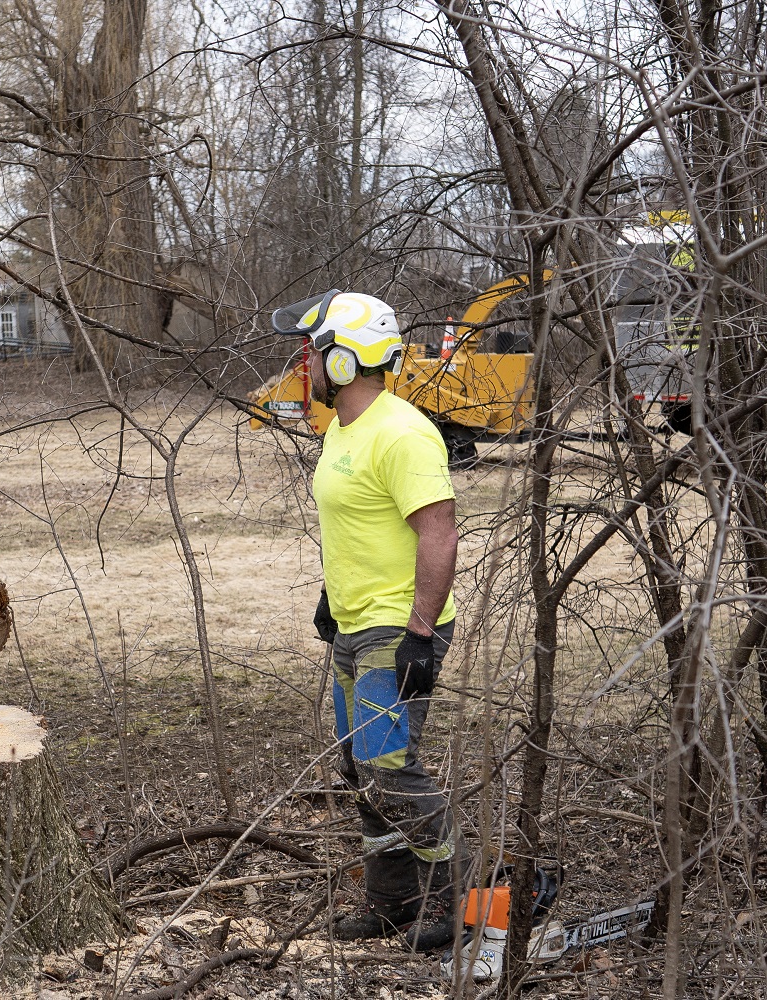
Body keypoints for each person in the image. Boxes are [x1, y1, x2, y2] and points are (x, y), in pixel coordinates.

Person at [273, 289, 467, 952]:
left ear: (345, 359)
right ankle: (391, 903)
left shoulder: (402, 432)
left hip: (397, 626)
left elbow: (438, 532)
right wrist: (332, 598)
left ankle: (457, 903)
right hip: (352, 624)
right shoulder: (340, 430)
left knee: (389, 766)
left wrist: (420, 632)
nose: (306, 364)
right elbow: (357, 523)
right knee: (360, 770)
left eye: (314, 352)